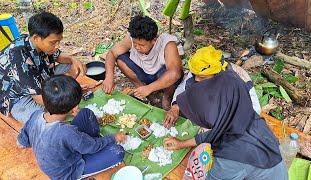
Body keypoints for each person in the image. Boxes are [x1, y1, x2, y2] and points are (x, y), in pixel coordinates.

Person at [163, 46, 288, 180]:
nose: (195, 123)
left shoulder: (230, 158)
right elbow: (217, 133)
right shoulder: (243, 116)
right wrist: (181, 143)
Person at [17, 75, 127, 179]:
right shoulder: (66, 132)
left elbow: (23, 138)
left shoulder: (36, 115)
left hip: (62, 154)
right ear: (73, 108)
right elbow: (91, 146)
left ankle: (90, 144)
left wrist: (22, 142)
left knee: (85, 113)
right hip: (68, 172)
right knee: (118, 152)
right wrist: (113, 137)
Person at [0, 11, 86, 123]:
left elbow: (59, 56)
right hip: (18, 97)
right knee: (45, 120)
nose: (57, 46)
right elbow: (41, 99)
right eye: (53, 42)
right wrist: (69, 102)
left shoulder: (36, 41)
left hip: (40, 81)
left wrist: (73, 60)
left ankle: (61, 92)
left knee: (68, 64)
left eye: (59, 42)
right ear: (36, 38)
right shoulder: (18, 59)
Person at [163, 46, 261, 128]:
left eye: (202, 77)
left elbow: (254, 110)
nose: (196, 79)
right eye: (195, 74)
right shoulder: (198, 71)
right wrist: (175, 107)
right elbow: (183, 87)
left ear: (216, 73)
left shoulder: (239, 79)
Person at [101, 15, 182, 110]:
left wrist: (150, 88)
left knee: (168, 73)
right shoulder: (132, 38)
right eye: (135, 43)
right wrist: (109, 77)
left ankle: (167, 97)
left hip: (161, 76)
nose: (137, 47)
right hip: (144, 73)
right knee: (120, 60)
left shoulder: (167, 43)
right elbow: (112, 53)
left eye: (141, 45)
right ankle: (142, 90)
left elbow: (175, 74)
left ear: (153, 40)